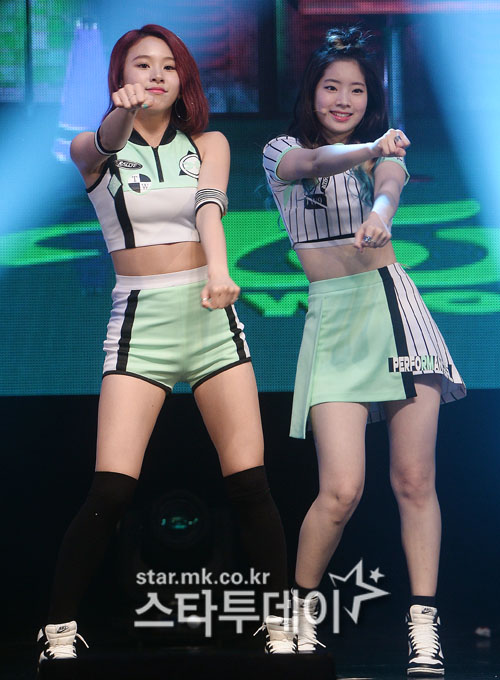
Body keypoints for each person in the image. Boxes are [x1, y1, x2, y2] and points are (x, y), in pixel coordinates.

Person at [37, 24, 293, 664]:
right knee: (112, 490)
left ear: (184, 80)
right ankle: (58, 631)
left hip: (212, 321)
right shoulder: (91, 146)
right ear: (119, 77)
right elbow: (104, 142)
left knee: (250, 483)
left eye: (168, 66)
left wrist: (220, 272)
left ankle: (283, 626)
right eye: (141, 64)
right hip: (139, 325)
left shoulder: (209, 142)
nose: (155, 75)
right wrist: (119, 115)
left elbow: (209, 205)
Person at [263, 26, 466, 675]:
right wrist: (370, 149)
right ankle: (295, 616)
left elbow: (391, 182)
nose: (343, 99)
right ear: (312, 92)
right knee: (341, 490)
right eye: (332, 87)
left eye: (356, 90)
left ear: (370, 99)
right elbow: (313, 166)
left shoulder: (385, 148)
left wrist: (381, 208)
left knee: (413, 480)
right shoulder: (281, 151)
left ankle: (424, 630)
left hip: (395, 315)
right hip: (334, 323)